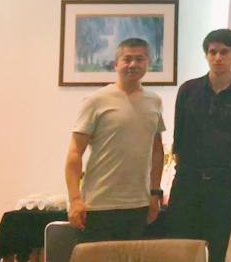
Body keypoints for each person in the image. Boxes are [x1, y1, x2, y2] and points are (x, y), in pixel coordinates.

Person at [65, 37, 166, 242]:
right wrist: (75, 199)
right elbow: (75, 153)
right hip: (98, 205)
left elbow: (157, 151)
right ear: (116, 64)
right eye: (127, 59)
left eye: (139, 59)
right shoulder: (96, 100)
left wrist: (155, 193)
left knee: (132, 256)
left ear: (148, 63)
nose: (133, 64)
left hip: (138, 205)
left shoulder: (154, 101)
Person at [168, 28, 231, 262]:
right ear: (206, 55)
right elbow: (179, 138)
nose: (218, 58)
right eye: (212, 52)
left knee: (217, 248)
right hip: (187, 180)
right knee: (180, 247)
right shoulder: (188, 90)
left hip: (222, 181)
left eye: (224, 52)